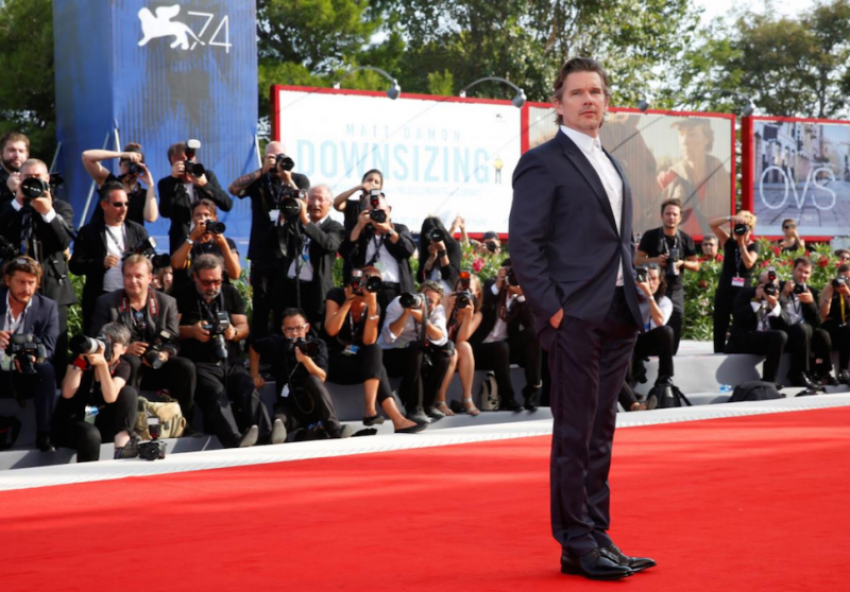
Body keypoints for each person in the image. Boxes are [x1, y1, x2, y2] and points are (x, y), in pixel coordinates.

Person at [509, 57, 654, 580]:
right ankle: (575, 542)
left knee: (601, 430)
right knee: (574, 431)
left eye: (595, 91)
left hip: (617, 312)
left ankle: (596, 534)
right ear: (559, 103)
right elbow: (524, 244)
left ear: (605, 99)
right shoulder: (542, 162)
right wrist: (552, 312)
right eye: (577, 93)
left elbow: (616, 240)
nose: (588, 99)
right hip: (573, 319)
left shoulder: (609, 161)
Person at [89, 254, 197, 428]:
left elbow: (174, 341)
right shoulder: (107, 302)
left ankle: (185, 423)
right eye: (128, 276)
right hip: (124, 367)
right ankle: (128, 426)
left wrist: (164, 354)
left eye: (139, 276)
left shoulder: (167, 302)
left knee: (186, 367)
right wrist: (124, 348)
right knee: (131, 361)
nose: (133, 281)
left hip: (157, 364)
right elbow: (98, 337)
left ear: (150, 278)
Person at [174, 255, 265, 448]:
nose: (212, 287)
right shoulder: (182, 294)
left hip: (230, 360)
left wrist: (234, 332)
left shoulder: (229, 293)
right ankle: (235, 441)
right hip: (200, 363)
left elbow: (244, 327)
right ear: (195, 277)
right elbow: (172, 330)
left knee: (247, 386)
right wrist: (192, 331)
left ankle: (267, 435)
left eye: (216, 281)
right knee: (216, 393)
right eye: (206, 282)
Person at [323, 267, 425, 433]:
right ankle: (395, 418)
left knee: (374, 350)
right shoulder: (337, 294)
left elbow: (369, 341)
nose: (368, 287)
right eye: (366, 281)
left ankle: (373, 411)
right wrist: (348, 302)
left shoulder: (373, 305)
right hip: (333, 359)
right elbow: (331, 330)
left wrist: (371, 308)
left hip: (359, 362)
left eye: (374, 283)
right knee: (378, 368)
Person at [0, 158, 77, 378]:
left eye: (37, 178)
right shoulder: (10, 206)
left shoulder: (61, 207)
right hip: (14, 289)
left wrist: (47, 212)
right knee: (12, 346)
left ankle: (54, 401)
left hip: (52, 287)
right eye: (27, 178)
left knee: (55, 350)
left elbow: (62, 242)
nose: (33, 182)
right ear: (18, 180)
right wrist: (17, 202)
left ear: (47, 180)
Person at [228, 141, 310, 342]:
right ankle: (257, 352)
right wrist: (261, 171)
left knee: (285, 306)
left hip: (289, 252)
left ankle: (284, 351)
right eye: (272, 157)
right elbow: (233, 189)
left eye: (280, 157)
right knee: (261, 307)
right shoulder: (259, 179)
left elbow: (304, 201)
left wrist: (287, 178)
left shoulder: (298, 179)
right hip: (262, 253)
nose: (276, 162)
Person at [250, 308, 348, 440]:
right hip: (289, 405)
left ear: (307, 328)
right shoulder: (277, 343)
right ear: (283, 330)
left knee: (313, 380)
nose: (294, 333)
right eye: (289, 329)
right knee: (279, 421)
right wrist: (254, 374)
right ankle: (296, 434)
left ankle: (334, 429)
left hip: (314, 405)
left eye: (298, 328)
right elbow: (254, 347)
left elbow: (321, 377)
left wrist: (306, 360)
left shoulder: (316, 345)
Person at [52, 322, 139, 461]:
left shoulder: (123, 366)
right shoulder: (80, 359)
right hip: (74, 422)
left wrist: (103, 366)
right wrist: (80, 362)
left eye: (114, 345)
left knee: (129, 392)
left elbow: (110, 397)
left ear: (124, 350)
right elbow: (67, 393)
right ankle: (88, 477)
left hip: (101, 421)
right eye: (106, 342)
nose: (108, 348)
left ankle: (122, 447)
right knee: (91, 434)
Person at [70, 182, 149, 333]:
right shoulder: (89, 232)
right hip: (101, 297)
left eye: (126, 203)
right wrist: (100, 263)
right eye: (118, 204)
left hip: (133, 297)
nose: (124, 209)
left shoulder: (137, 230)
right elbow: (75, 266)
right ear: (104, 205)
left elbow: (150, 260)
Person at [0, 256, 59, 452]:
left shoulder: (47, 307)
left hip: (26, 373)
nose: (26, 289)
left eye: (31, 283)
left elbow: (49, 348)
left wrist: (32, 356)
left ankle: (44, 434)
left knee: (46, 369)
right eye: (21, 282)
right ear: (8, 280)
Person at [467, 259, 542, 411]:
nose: (515, 278)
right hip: (479, 349)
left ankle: (532, 390)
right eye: (512, 273)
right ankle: (507, 397)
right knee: (501, 347)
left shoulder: (521, 295)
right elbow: (483, 305)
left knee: (533, 333)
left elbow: (529, 323)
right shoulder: (491, 286)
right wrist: (498, 286)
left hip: (505, 349)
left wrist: (521, 296)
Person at [379, 280, 453, 424]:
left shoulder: (438, 310)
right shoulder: (400, 303)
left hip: (415, 353)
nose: (424, 302)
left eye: (430, 301)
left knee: (444, 356)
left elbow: (441, 338)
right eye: (422, 297)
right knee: (416, 351)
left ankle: (428, 405)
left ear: (437, 304)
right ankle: (414, 408)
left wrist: (424, 320)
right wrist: (407, 312)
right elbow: (388, 338)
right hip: (391, 353)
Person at [272, 185, 344, 329]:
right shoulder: (295, 222)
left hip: (314, 290)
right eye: (311, 198)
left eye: (320, 199)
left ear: (329, 205)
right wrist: (285, 214)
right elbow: (274, 241)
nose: (315, 203)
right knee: (285, 329)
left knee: (313, 332)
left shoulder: (334, 227)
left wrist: (306, 221)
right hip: (289, 286)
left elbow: (329, 244)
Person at [635, 198, 699, 352]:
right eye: (668, 214)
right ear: (662, 215)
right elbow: (636, 260)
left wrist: (681, 263)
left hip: (675, 288)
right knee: (651, 318)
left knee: (676, 319)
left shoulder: (685, 239)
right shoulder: (650, 236)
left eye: (675, 214)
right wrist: (655, 260)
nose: (671, 217)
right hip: (654, 287)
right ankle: (645, 353)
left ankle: (670, 357)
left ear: (680, 217)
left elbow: (696, 265)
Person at [339, 192, 416, 318]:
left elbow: (408, 250)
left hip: (395, 289)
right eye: (371, 212)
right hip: (368, 290)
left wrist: (388, 230)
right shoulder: (364, 232)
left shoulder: (399, 229)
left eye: (380, 211)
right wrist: (359, 226)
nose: (376, 215)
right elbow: (346, 252)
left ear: (389, 210)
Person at [657, 118, 730, 237]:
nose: (684, 141)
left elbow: (728, 218)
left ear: (707, 139)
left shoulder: (721, 176)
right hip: (678, 246)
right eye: (681, 134)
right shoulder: (667, 178)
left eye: (691, 134)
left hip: (712, 247)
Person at [158, 141, 232, 253]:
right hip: (182, 241)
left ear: (194, 159)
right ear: (172, 164)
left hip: (208, 237)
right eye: (178, 162)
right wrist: (173, 181)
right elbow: (165, 212)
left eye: (186, 159)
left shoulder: (207, 176)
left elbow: (227, 204)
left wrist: (205, 185)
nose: (184, 164)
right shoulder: (166, 183)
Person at [708, 210, 760, 353]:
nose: (739, 228)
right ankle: (718, 350)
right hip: (726, 286)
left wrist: (742, 243)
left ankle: (738, 348)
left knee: (741, 319)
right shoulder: (729, 242)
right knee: (720, 319)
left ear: (750, 228)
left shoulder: (754, 246)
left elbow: (749, 263)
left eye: (743, 226)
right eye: (737, 225)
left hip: (743, 288)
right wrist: (731, 217)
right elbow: (712, 225)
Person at [434, 273, 485, 416]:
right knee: (453, 352)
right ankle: (440, 400)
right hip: (436, 346)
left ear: (476, 293)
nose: (464, 293)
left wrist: (468, 315)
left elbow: (461, 339)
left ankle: (467, 398)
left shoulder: (477, 314)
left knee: (464, 347)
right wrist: (449, 308)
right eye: (461, 288)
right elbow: (438, 331)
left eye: (468, 290)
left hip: (453, 349)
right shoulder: (446, 300)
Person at [629, 266, 678, 409]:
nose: (650, 283)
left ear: (660, 281)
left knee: (666, 331)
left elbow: (660, 322)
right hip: (629, 342)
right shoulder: (630, 298)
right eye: (646, 279)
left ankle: (664, 377)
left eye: (654, 279)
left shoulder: (664, 301)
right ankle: (637, 399)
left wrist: (649, 296)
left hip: (647, 341)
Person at [726, 270, 788, 384]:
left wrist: (774, 304)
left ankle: (770, 380)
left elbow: (787, 325)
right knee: (778, 336)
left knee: (781, 335)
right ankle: (769, 382)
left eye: (771, 286)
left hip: (768, 340)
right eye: (764, 285)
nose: (767, 289)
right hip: (748, 338)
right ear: (758, 284)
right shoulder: (746, 293)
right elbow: (738, 318)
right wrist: (756, 300)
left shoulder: (780, 298)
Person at [779, 258, 831, 387]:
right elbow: (772, 310)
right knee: (803, 329)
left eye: (806, 272)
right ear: (793, 270)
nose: (802, 275)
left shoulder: (811, 291)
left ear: (810, 275)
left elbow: (818, 321)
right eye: (800, 270)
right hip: (785, 329)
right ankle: (799, 373)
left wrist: (811, 303)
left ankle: (822, 371)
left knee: (822, 334)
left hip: (804, 332)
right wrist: (784, 293)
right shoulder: (780, 286)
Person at [170, 199, 240, 292]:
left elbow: (235, 274)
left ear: (215, 218)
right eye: (198, 215)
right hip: (191, 292)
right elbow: (176, 264)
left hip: (219, 292)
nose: (203, 219)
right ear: (193, 218)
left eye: (207, 215)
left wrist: (223, 245)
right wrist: (192, 238)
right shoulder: (186, 241)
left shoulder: (227, 243)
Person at [81, 144, 159, 225]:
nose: (130, 169)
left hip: (129, 237)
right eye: (127, 165)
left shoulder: (143, 194)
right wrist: (121, 154)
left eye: (134, 166)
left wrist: (150, 184)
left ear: (140, 168)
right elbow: (86, 156)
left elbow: (151, 218)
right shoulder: (109, 183)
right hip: (103, 235)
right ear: (119, 164)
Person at [819, 264, 850, 384]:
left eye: (848, 278)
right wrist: (830, 293)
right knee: (822, 335)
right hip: (832, 326)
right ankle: (824, 372)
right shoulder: (830, 288)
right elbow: (823, 314)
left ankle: (844, 370)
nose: (845, 281)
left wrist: (847, 293)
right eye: (843, 278)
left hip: (847, 327)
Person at [417, 216, 461, 298]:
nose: (433, 237)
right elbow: (421, 278)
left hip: (449, 293)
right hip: (430, 295)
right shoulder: (426, 248)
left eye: (436, 232)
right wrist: (432, 257)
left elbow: (448, 274)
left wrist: (442, 251)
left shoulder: (453, 246)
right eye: (429, 234)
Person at [332, 168, 383, 235]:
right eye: (369, 180)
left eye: (376, 182)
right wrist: (357, 188)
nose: (372, 183)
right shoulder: (353, 205)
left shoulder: (382, 207)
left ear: (380, 187)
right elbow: (336, 203)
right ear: (363, 182)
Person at [0, 131, 29, 207]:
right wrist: (7, 190)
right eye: (12, 150)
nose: (17, 155)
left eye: (21, 151)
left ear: (27, 155)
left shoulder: (34, 178)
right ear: (1, 153)